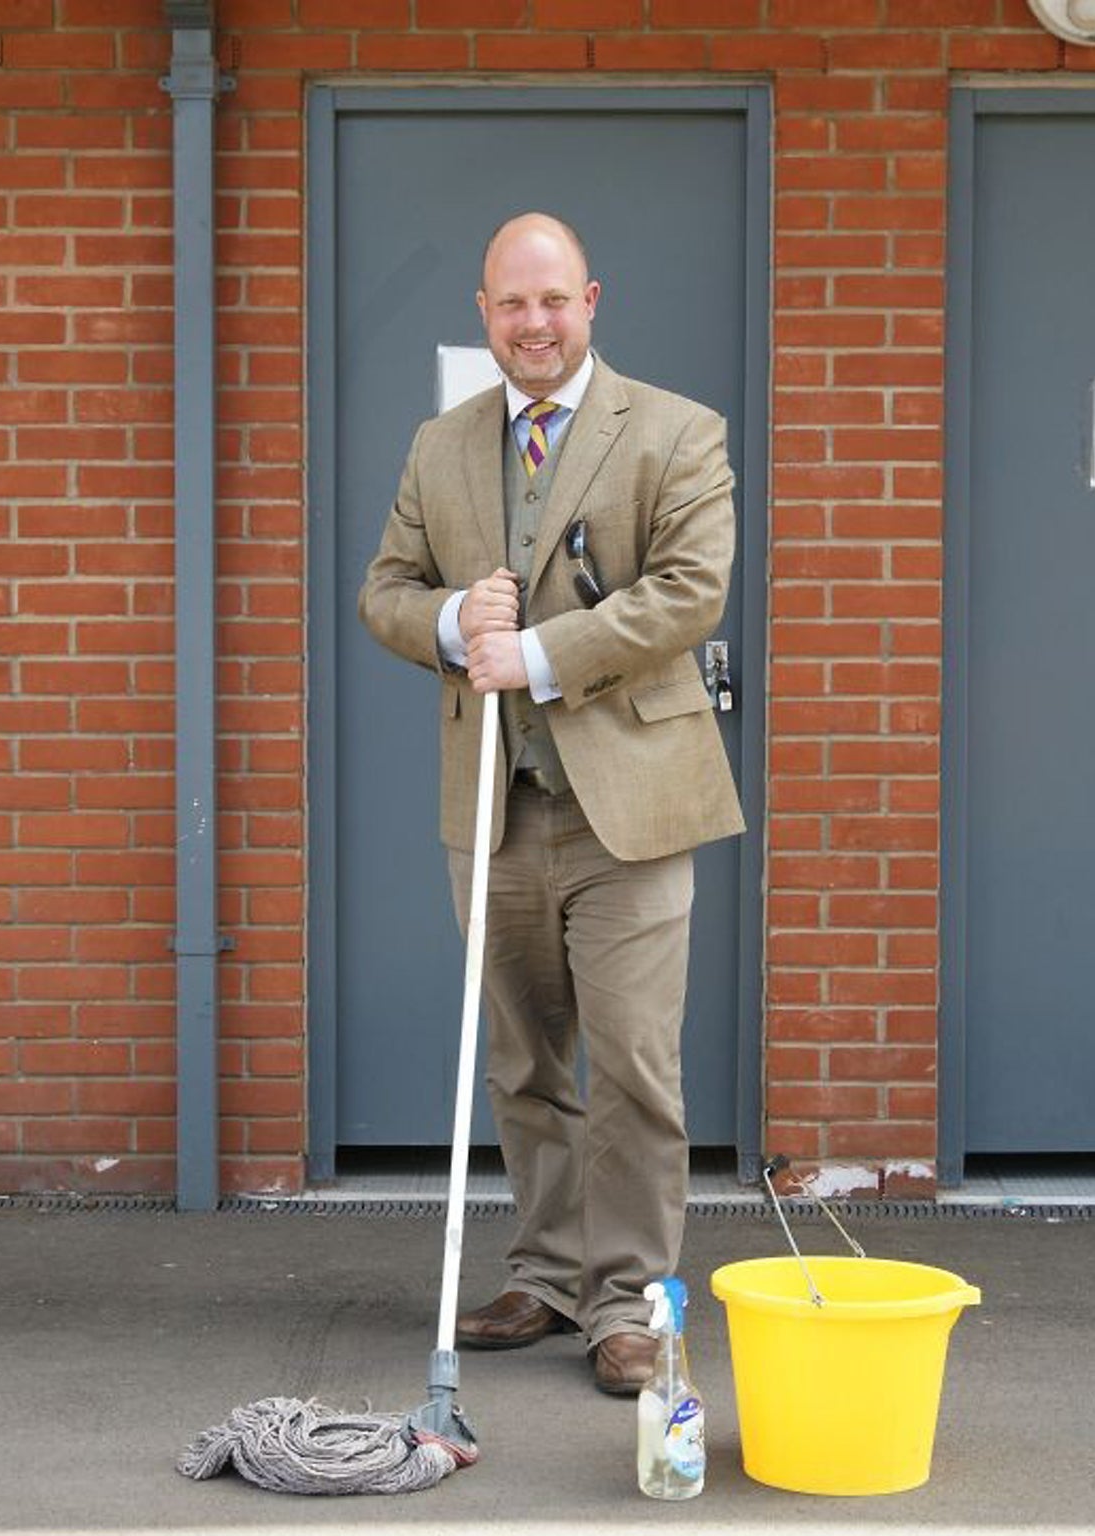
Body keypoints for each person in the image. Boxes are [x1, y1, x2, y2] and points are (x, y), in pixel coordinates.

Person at [359, 212, 745, 1395]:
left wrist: (532, 654)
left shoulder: (675, 432)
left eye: (552, 302)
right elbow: (386, 587)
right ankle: (546, 1268)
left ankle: (626, 1303)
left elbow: (688, 595)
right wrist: (442, 625)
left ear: (591, 302)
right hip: (493, 807)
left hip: (627, 805)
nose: (532, 324)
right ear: (483, 314)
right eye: (509, 305)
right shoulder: (442, 444)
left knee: (632, 1064)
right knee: (523, 1059)